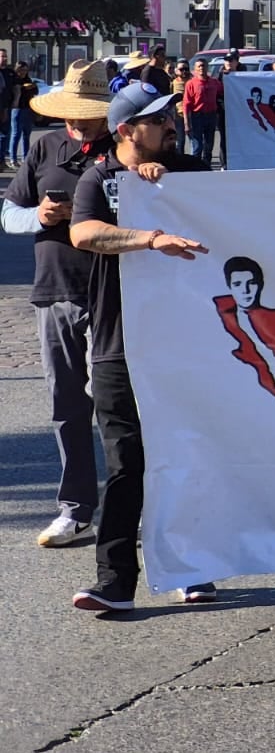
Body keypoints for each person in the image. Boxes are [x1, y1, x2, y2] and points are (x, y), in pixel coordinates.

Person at [68, 82, 212, 611]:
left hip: (187, 341)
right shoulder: (98, 178)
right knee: (127, 461)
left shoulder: (193, 173)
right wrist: (149, 235)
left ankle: (194, 567)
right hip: (117, 344)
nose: (171, 126)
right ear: (127, 130)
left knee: (187, 453)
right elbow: (83, 234)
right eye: (159, 120)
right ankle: (115, 583)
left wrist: (167, 191)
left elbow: (235, 219)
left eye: (172, 116)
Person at [1, 62, 118, 547]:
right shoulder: (45, 145)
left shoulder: (127, 149)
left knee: (120, 408)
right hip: (55, 288)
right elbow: (9, 212)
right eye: (72, 115)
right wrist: (39, 216)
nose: (79, 122)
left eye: (88, 114)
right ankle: (75, 509)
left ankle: (130, 507)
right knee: (66, 405)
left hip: (115, 289)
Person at [181, 60, 221, 164]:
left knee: (209, 145)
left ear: (207, 68)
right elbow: (186, 104)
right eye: (199, 66)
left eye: (203, 66)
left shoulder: (214, 82)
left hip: (211, 116)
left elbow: (224, 91)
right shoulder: (191, 84)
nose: (201, 68)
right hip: (197, 116)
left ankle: (206, 167)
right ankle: (195, 168)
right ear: (195, 69)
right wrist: (186, 123)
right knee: (197, 145)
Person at [8, 60, 39, 166]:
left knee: (26, 135)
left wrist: (33, 86)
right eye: (22, 70)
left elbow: (35, 92)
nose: (24, 72)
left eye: (26, 70)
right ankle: (13, 158)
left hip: (28, 109)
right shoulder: (14, 79)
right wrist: (22, 88)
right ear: (17, 69)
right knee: (16, 134)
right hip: (17, 109)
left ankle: (26, 158)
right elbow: (13, 93)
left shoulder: (28, 79)